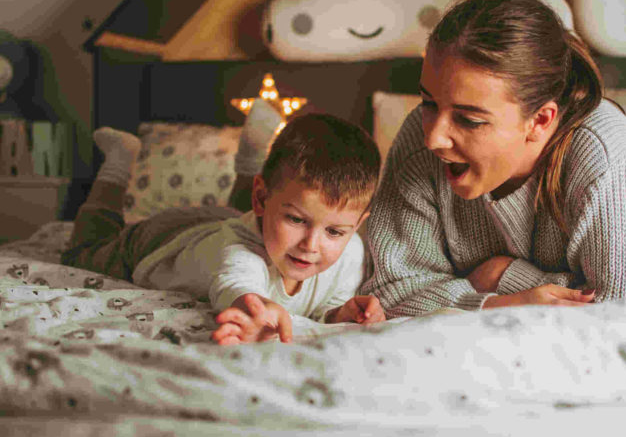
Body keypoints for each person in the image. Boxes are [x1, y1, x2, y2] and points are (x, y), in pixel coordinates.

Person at [360, 0, 626, 318]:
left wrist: (501, 276)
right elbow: (387, 292)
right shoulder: (418, 139)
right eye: (428, 103)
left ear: (540, 120)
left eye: (469, 120)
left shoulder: (606, 153)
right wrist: (500, 299)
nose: (434, 138)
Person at [62, 105, 385, 343]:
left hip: (231, 219)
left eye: (334, 232)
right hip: (163, 239)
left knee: (240, 213)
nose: (312, 245)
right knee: (84, 252)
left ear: (356, 225)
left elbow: (326, 304)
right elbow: (236, 284)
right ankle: (119, 160)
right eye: (297, 219)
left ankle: (251, 156)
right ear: (260, 198)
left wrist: (341, 313)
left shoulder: (351, 252)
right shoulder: (237, 252)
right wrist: (256, 314)